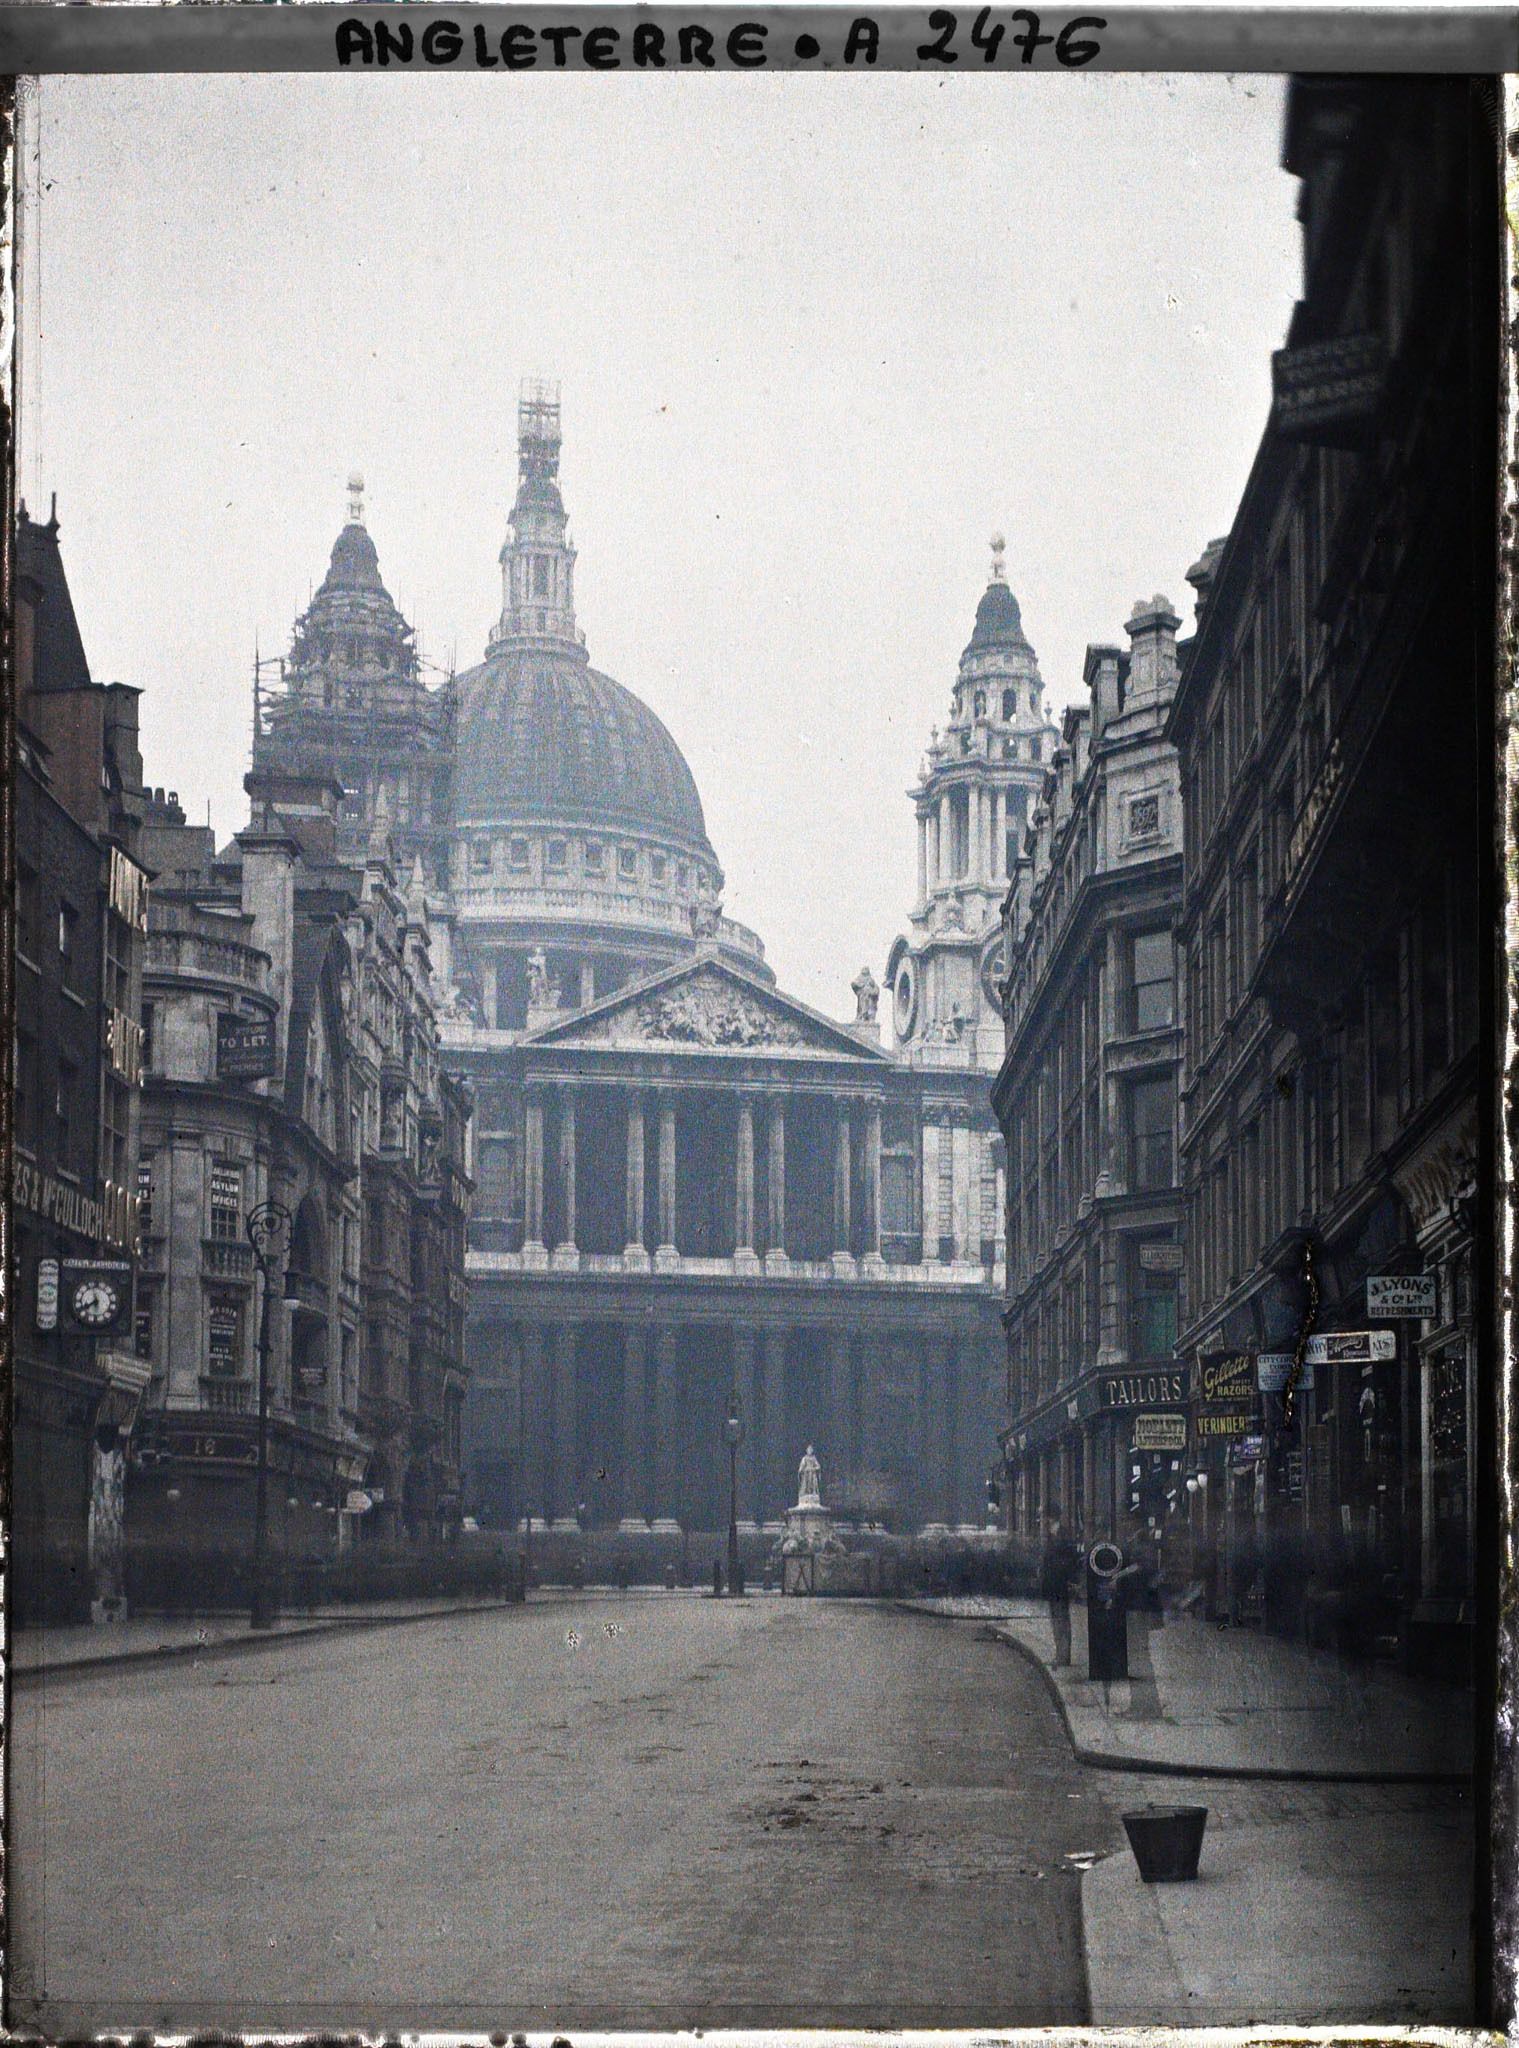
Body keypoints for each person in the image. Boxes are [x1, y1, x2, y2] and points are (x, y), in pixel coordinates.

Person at [1039, 1507, 1080, 1666]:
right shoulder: (1053, 1535)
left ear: (1050, 1518)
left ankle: (1063, 1656)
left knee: (1061, 1619)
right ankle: (1060, 1654)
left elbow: (1068, 1560)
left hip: (1059, 1583)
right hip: (1054, 1584)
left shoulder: (1061, 1536)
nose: (1043, 1521)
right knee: (1057, 1619)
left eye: (1044, 1517)